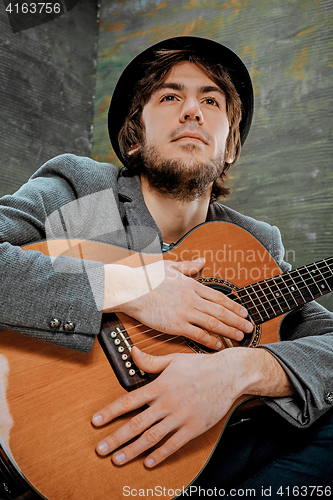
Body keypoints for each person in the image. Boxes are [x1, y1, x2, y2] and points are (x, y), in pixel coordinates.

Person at [1, 36, 332, 495]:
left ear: (230, 146)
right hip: (46, 447)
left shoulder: (254, 245)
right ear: (135, 137)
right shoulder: (85, 194)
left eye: (211, 100)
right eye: (170, 96)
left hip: (192, 465)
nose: (192, 110)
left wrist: (238, 372)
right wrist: (130, 288)